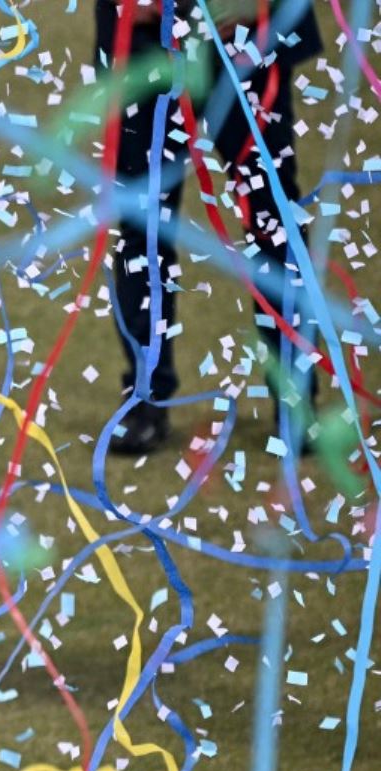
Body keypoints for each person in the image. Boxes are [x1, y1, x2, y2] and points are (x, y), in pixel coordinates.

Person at [100, 0, 323, 455]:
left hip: (249, 38)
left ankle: (296, 399)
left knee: (273, 219)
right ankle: (144, 401)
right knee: (142, 224)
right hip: (146, 43)